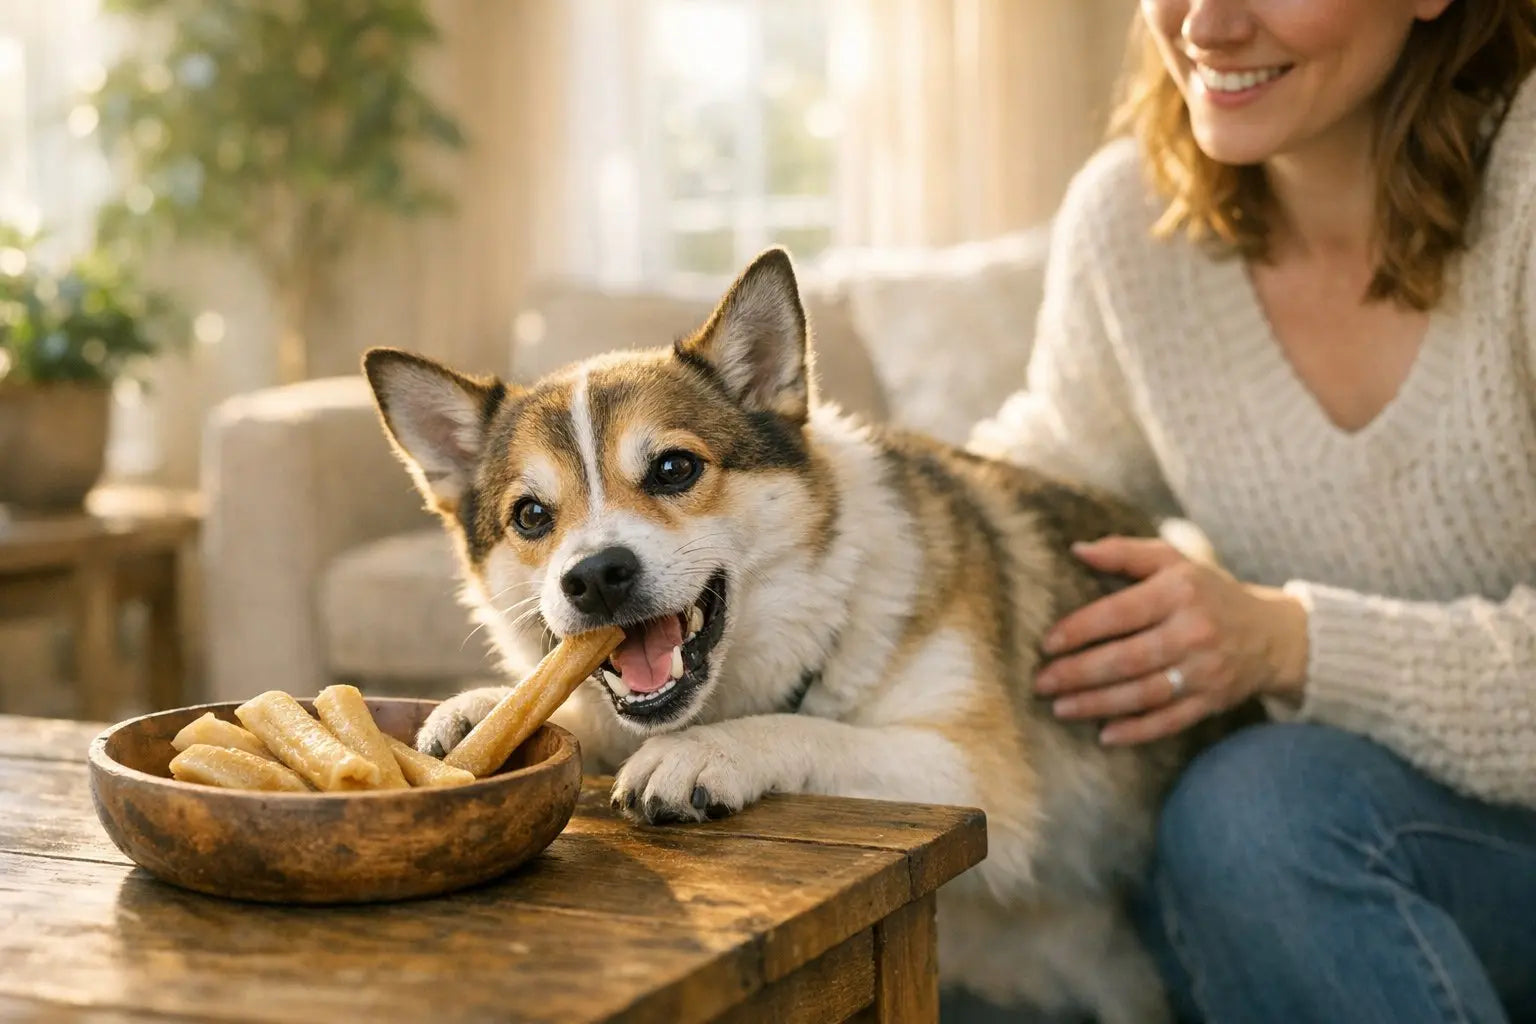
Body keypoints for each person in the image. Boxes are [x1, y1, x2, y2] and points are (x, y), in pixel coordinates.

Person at [965, 0, 1536, 1021]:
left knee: (1252, 809)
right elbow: (1038, 477)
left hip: (1396, 835)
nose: (1205, 23)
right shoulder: (1130, 225)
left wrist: (1291, 644)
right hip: (1328, 860)